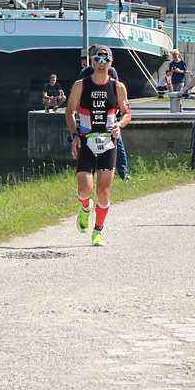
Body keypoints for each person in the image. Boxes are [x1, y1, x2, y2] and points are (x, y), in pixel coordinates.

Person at [66, 45, 132, 246]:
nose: (102, 64)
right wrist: (75, 135)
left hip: (107, 142)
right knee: (85, 189)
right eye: (98, 60)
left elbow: (127, 113)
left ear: (111, 63)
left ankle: (98, 231)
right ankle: (86, 208)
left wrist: (119, 125)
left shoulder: (118, 87)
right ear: (92, 62)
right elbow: (69, 111)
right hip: (86, 140)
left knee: (103, 191)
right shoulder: (81, 85)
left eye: (106, 60)